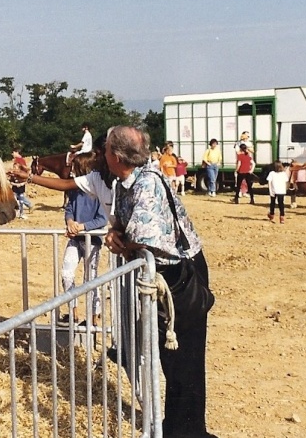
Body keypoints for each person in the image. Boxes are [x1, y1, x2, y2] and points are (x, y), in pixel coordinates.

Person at [104, 125, 217, 438]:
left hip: (179, 276)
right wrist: (118, 236)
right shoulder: (126, 182)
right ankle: (178, 426)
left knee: (185, 358)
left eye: (106, 149)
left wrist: (121, 243)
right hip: (163, 277)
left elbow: (149, 240)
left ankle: (190, 431)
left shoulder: (148, 183)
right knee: (172, 359)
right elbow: (122, 226)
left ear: (115, 156)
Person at [59, 153, 108, 326]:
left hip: (92, 241)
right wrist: (70, 222)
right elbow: (69, 209)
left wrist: (82, 227)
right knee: (66, 273)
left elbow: (102, 219)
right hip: (75, 239)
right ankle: (73, 313)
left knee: (91, 279)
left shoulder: (98, 191)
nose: (72, 172)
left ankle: (94, 317)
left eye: (75, 168)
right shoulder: (74, 190)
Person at [10, 148, 33, 219]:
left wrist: (24, 180)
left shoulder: (19, 160)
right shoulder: (18, 160)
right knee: (17, 196)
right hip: (16, 181)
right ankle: (23, 209)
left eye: (13, 152)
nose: (12, 154)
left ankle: (22, 210)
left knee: (19, 197)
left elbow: (25, 170)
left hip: (20, 182)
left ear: (17, 152)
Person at [234, 131, 254, 197]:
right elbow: (237, 152)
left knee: (247, 179)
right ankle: (239, 191)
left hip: (248, 160)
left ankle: (244, 191)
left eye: (248, 136)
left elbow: (253, 151)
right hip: (240, 160)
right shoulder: (238, 143)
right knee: (239, 178)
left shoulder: (249, 143)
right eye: (246, 136)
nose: (247, 137)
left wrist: (246, 148)